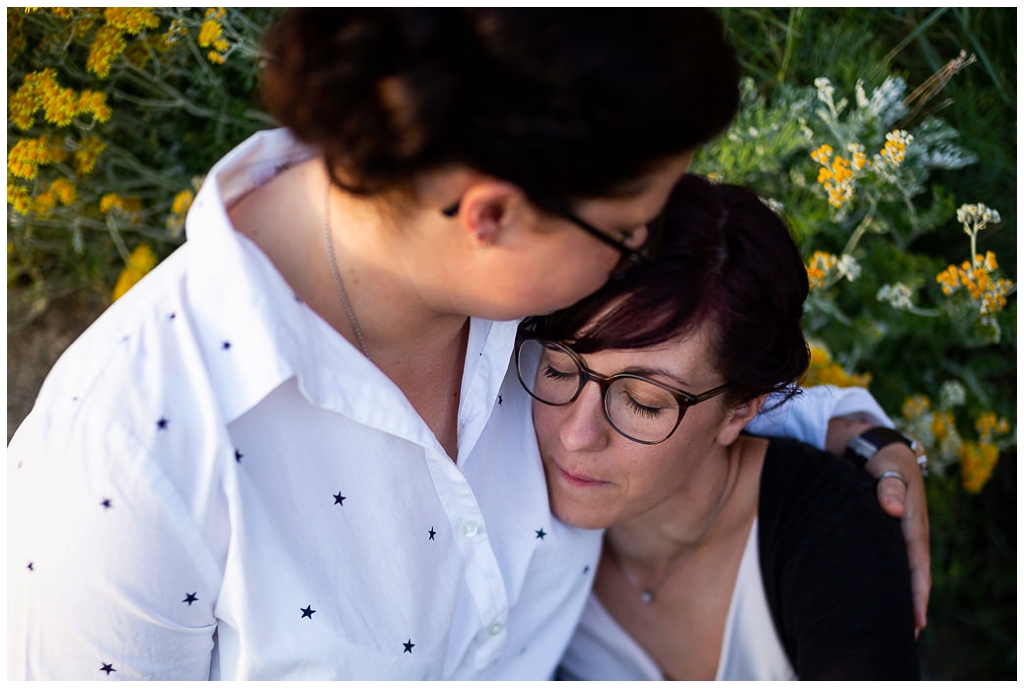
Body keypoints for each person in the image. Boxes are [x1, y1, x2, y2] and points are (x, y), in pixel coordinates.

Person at [7, 9, 926, 680]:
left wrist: (859, 439)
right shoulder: (131, 455)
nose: (638, 253)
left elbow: (691, 376)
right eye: (630, 232)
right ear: (492, 215)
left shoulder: (516, 299)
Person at [517, 174, 921, 680]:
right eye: (559, 367)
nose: (575, 435)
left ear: (741, 410)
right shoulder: (503, 474)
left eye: (644, 402)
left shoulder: (831, 534)